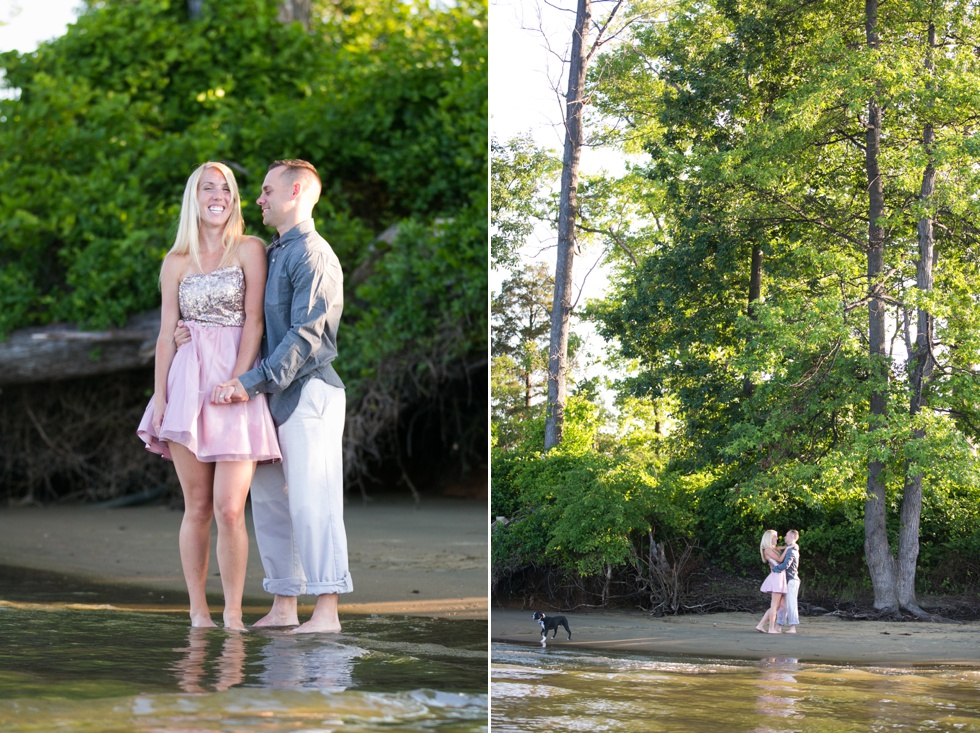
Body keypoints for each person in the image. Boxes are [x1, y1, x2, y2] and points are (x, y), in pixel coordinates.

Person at [193, 158, 352, 634]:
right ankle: (284, 604)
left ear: (297, 191)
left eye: (266, 191)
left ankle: (326, 612)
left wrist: (247, 382)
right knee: (268, 502)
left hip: (310, 394)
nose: (257, 199)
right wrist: (186, 333)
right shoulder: (275, 251)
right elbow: (246, 321)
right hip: (269, 398)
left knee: (313, 502)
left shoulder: (314, 255)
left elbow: (307, 336)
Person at [137, 161, 281, 631]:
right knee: (196, 506)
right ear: (193, 197)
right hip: (185, 386)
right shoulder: (175, 261)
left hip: (234, 387)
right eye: (207, 188)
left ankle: (234, 614)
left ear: (234, 198)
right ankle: (199, 612)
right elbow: (164, 335)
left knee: (230, 508)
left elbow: (255, 322)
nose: (217, 195)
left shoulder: (249, 249)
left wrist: (239, 381)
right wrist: (159, 398)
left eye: (226, 188)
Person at [755, 529, 788, 634]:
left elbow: (779, 548)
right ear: (769, 538)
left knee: (777, 605)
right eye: (775, 536)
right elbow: (780, 560)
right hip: (776, 578)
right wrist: (788, 550)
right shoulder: (767, 550)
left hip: (780, 577)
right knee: (774, 605)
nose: (777, 538)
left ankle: (760, 625)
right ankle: (771, 628)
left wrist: (789, 546)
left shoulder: (773, 549)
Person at [773, 530, 801, 633]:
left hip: (791, 580)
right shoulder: (791, 548)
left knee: (791, 603)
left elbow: (786, 565)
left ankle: (793, 627)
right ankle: (779, 625)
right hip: (787, 580)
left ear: (793, 536)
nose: (784, 537)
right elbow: (776, 548)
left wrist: (775, 569)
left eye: (786, 535)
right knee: (783, 604)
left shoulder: (792, 549)